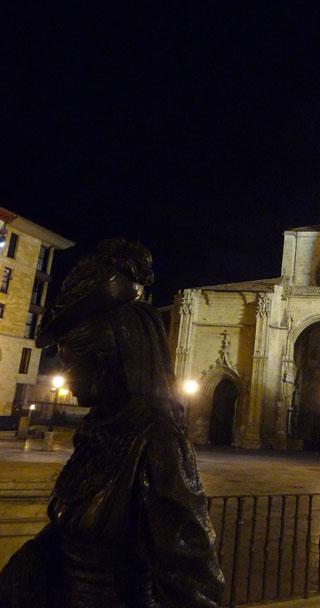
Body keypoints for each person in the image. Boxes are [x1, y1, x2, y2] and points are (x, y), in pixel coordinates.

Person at [0, 239, 224, 608]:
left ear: (107, 358)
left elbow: (194, 588)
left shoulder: (157, 442)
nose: (66, 378)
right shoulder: (99, 432)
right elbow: (66, 538)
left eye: (72, 364)